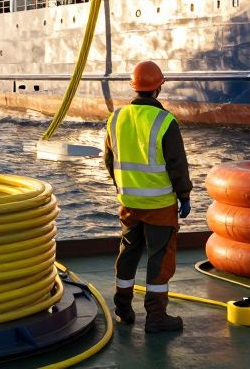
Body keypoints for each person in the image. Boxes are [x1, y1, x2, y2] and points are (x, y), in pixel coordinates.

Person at [103, 60, 192, 333]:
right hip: (160, 205)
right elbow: (177, 164)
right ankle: (156, 317)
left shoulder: (116, 117)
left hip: (129, 203)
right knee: (159, 260)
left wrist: (124, 187)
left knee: (128, 253)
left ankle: (122, 309)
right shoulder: (165, 121)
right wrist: (184, 196)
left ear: (134, 88)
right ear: (158, 88)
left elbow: (109, 160)